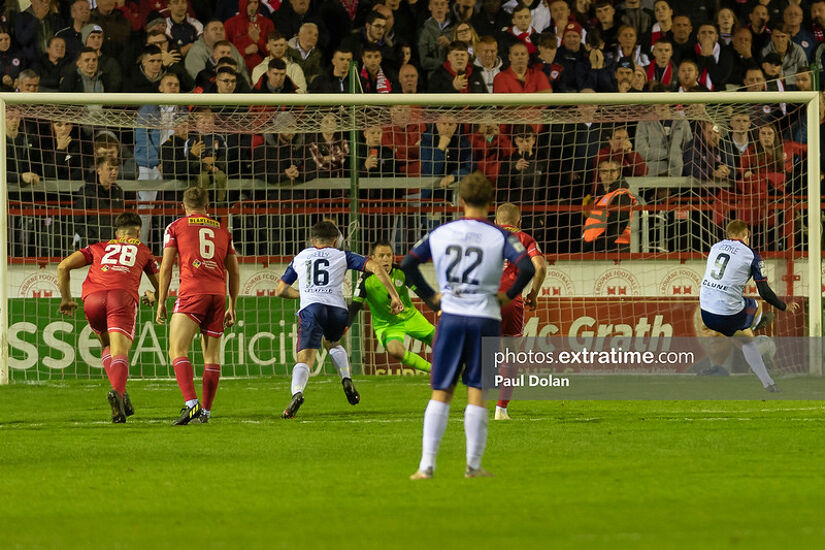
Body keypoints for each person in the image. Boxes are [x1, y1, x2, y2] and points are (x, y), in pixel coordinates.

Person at [402, 171, 536, 479]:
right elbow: (527, 267)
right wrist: (509, 296)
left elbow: (408, 264)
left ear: (460, 201)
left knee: (441, 390)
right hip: (485, 317)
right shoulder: (501, 236)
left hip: (450, 316)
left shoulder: (443, 232)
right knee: (477, 390)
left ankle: (426, 467)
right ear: (490, 203)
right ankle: (473, 466)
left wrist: (433, 299)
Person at [275, 221, 403, 419]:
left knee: (305, 358)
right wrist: (394, 296)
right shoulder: (343, 255)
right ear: (335, 241)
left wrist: (306, 294)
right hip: (337, 308)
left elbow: (281, 290)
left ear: (312, 240)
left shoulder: (301, 257)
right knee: (333, 343)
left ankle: (297, 393)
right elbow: (377, 268)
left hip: (312, 308)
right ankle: (346, 378)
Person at [57, 212, 159, 423]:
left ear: (117, 233)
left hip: (93, 299)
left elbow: (63, 266)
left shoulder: (97, 247)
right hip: (121, 297)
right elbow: (162, 285)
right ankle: (118, 395)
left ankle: (120, 392)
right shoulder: (143, 250)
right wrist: (155, 296)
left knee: (106, 345)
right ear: (138, 232)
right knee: (120, 350)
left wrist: (66, 298)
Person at [155, 187, 240, 425]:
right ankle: (206, 412)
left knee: (177, 350)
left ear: (184, 206)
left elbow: (166, 266)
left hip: (193, 293)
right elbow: (233, 270)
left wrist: (161, 301)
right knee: (212, 356)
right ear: (207, 205)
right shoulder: (223, 230)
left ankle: (192, 405)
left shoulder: (175, 227)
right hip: (217, 296)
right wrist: (232, 304)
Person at [699, 220, 800, 391]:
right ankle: (755, 322)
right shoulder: (751, 255)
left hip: (706, 313)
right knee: (757, 303)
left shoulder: (716, 247)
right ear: (746, 234)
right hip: (727, 314)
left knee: (747, 340)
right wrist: (784, 307)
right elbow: (764, 291)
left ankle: (768, 382)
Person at [493, 203, 546, 421]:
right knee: (510, 356)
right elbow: (541, 267)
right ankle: (501, 410)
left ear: (496, 222)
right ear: (519, 222)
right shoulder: (525, 239)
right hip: (510, 302)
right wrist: (533, 294)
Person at [349, 240, 436, 374]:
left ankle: (464, 369)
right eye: (381, 255)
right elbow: (354, 307)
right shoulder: (365, 281)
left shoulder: (401, 272)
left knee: (441, 343)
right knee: (396, 351)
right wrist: (343, 326)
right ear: (372, 258)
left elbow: (422, 294)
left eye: (389, 255)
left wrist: (438, 310)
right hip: (387, 325)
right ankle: (434, 371)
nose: (386, 259)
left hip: (411, 317)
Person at [582, 159, 638, 253]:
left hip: (613, 250)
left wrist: (597, 248)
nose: (608, 174)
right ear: (599, 173)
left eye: (612, 171)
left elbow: (616, 226)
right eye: (604, 171)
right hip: (597, 249)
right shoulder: (600, 197)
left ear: (618, 172)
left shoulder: (621, 194)